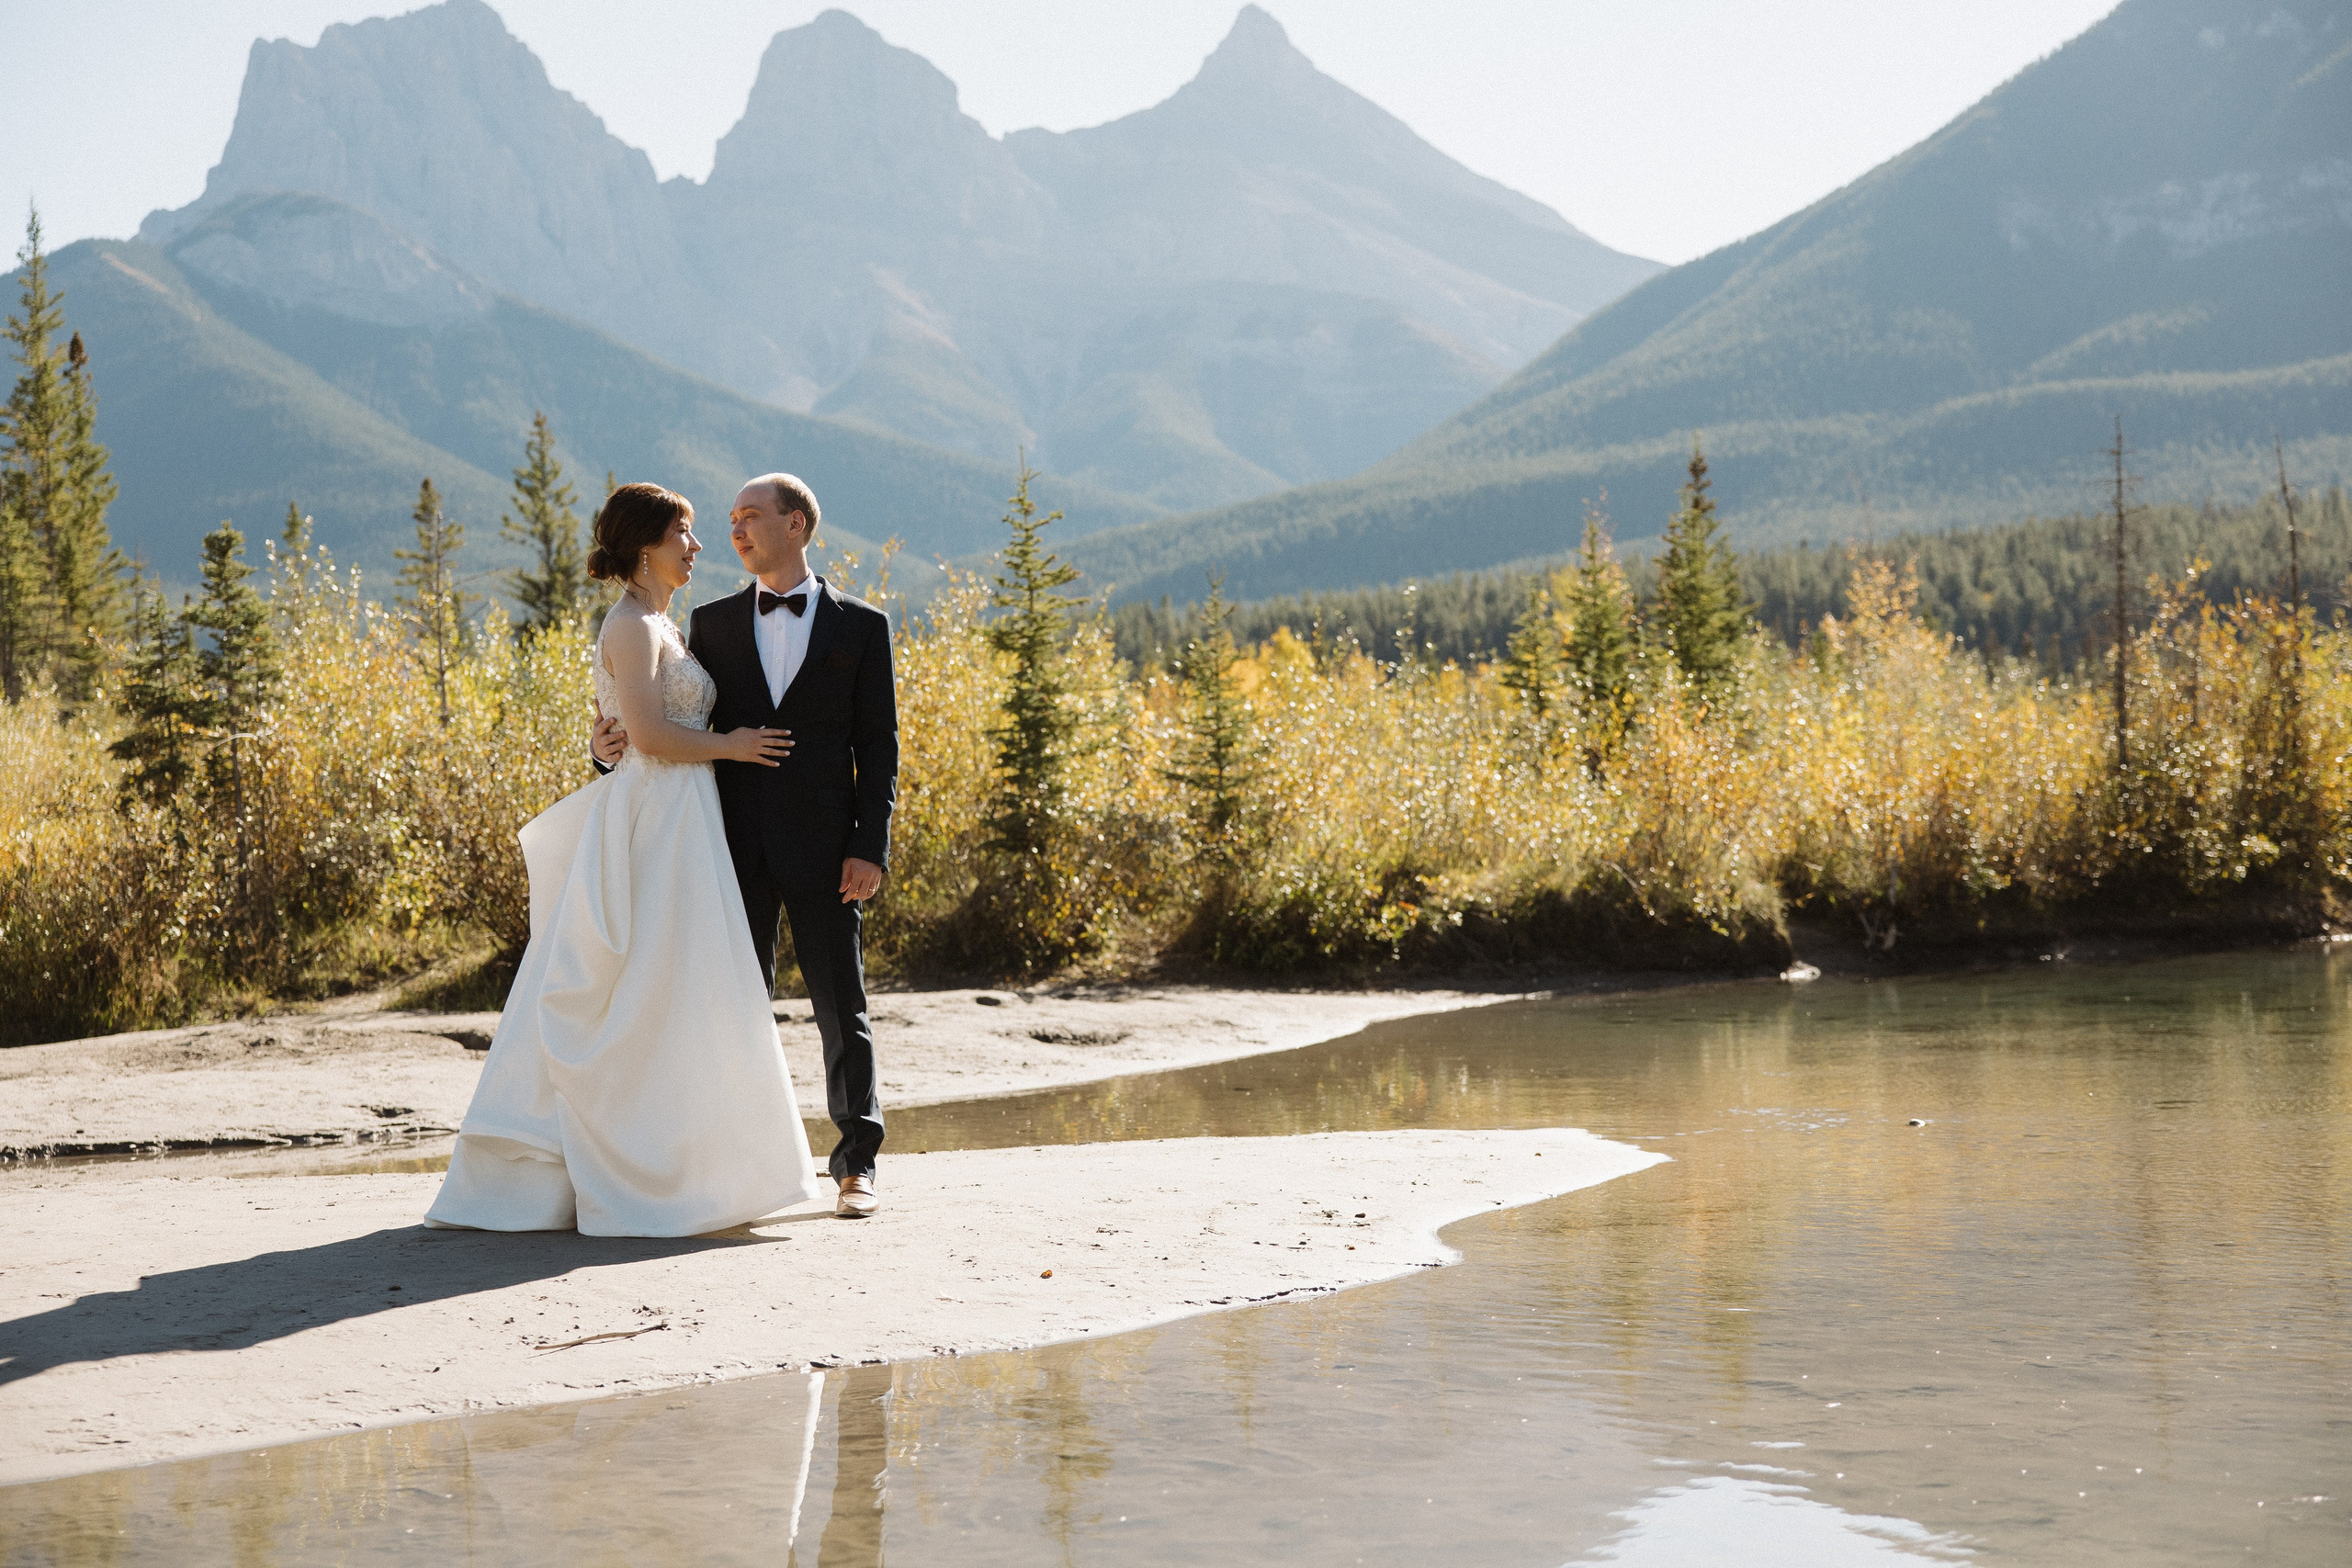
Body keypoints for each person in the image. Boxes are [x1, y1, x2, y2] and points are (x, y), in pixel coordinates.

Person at [424, 483, 819, 1236]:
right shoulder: (633, 627)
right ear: (647, 546)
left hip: (681, 822)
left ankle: (694, 1166)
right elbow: (649, 735)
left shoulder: (661, 626)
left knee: (678, 994)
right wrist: (735, 744)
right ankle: (639, 1172)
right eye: (686, 533)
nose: (697, 547)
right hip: (654, 824)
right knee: (642, 993)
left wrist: (612, 742)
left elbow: (627, 725)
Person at [593, 473, 899, 1218]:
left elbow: (879, 749)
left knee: (841, 1006)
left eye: (751, 517)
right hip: (724, 845)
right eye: (728, 519)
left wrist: (870, 845)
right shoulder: (711, 623)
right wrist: (606, 751)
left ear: (796, 525)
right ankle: (736, 1163)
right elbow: (669, 727)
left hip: (830, 850)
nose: (735, 530)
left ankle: (856, 1163)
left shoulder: (863, 627)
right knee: (730, 1004)